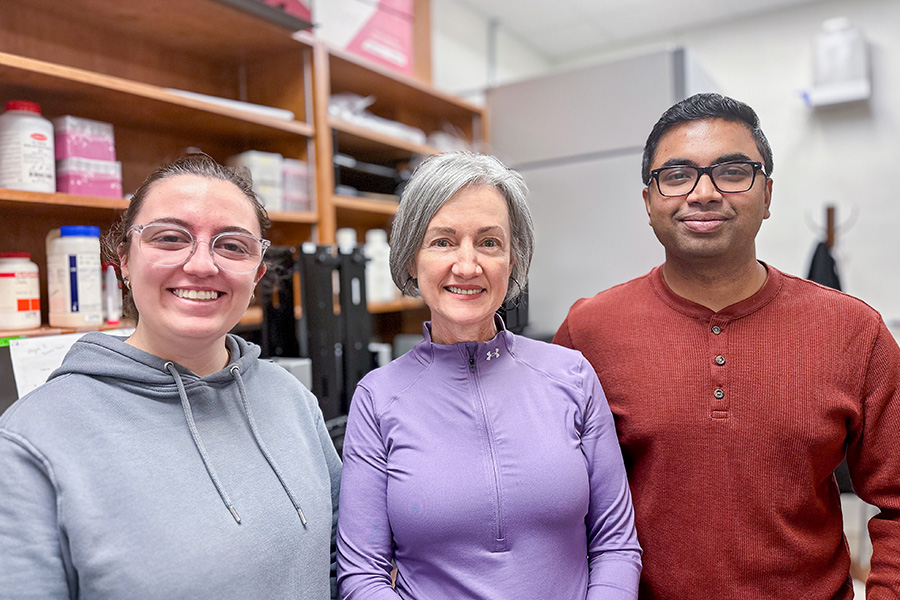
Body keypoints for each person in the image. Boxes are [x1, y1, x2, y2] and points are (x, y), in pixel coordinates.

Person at [554, 93, 900, 599]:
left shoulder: (855, 331)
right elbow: (551, 500)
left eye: (732, 171)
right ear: (649, 202)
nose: (704, 193)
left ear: (767, 193)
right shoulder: (588, 330)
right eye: (676, 176)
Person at [0, 154, 342, 599]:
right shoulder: (32, 440)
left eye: (232, 245)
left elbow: (338, 564)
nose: (202, 265)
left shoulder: (292, 400)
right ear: (123, 260)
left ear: (257, 274)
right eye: (169, 238)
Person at [337, 151, 641, 600]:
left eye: (489, 242)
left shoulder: (572, 375)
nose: (467, 265)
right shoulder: (378, 398)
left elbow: (615, 545)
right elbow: (362, 574)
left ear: (512, 260)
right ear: (409, 260)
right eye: (442, 241)